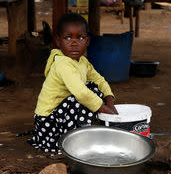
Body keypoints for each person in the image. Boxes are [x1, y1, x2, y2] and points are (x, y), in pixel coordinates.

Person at [29, 13, 117, 153]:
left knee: (94, 87)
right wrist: (107, 111)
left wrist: (110, 101)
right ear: (58, 41)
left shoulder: (82, 61)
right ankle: (72, 141)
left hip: (60, 116)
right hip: (48, 123)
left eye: (80, 37)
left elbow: (100, 80)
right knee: (84, 96)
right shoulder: (62, 63)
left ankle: (80, 132)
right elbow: (82, 94)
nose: (74, 43)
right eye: (68, 38)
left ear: (87, 41)